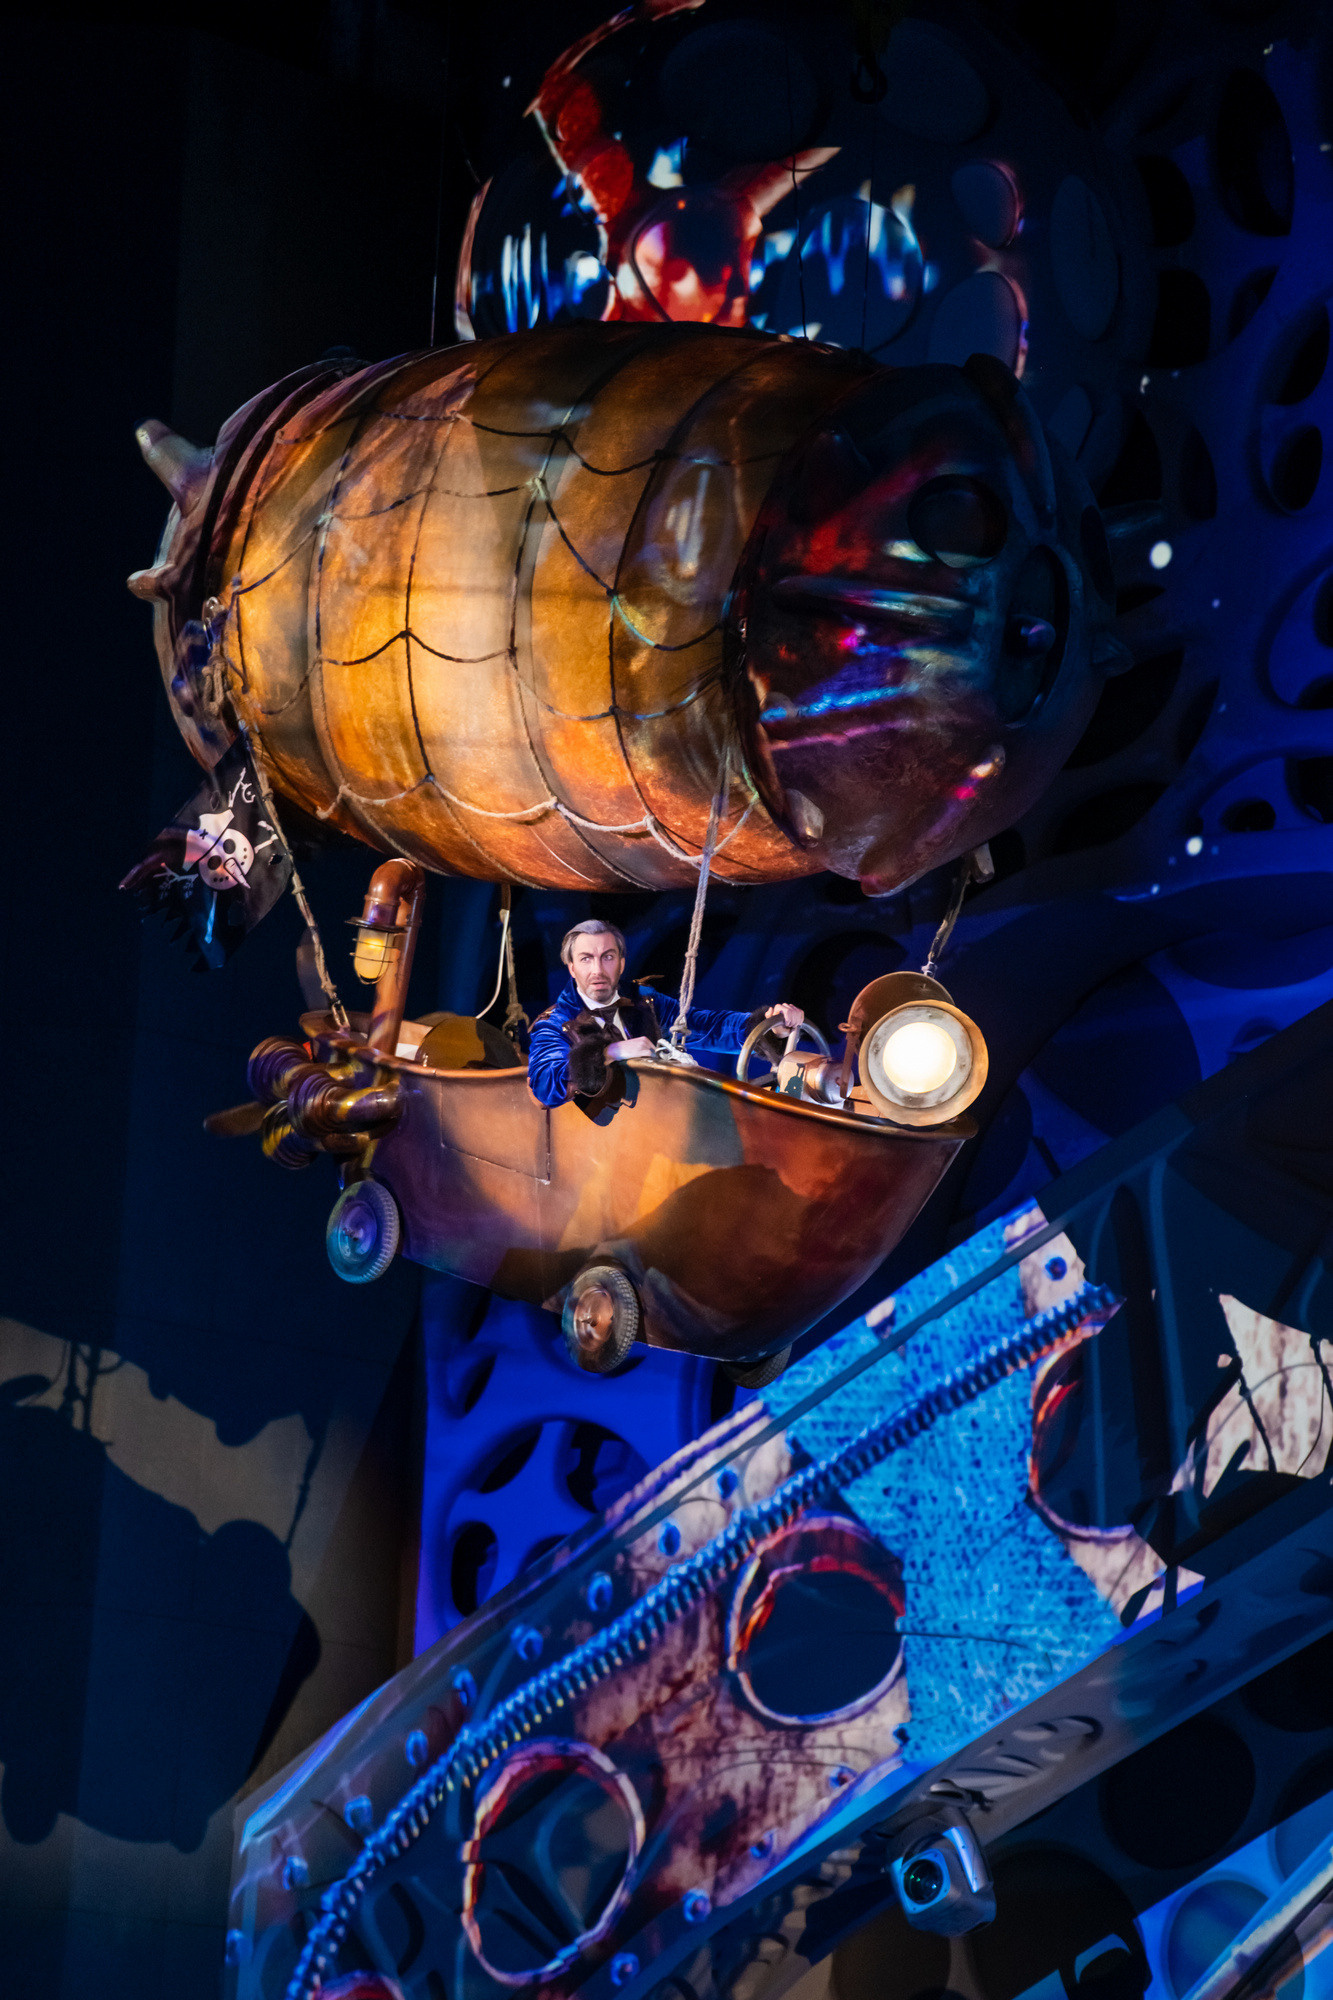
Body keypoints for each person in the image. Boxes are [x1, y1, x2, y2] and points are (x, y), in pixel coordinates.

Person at [528, 919, 805, 1109]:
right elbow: (544, 1083)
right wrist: (610, 1052)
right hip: (597, 1153)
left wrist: (769, 1027)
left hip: (659, 1128)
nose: (597, 970)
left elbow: (709, 1027)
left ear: (621, 964)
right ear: (572, 968)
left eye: (607, 957)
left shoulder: (646, 1003)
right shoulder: (555, 1024)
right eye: (586, 959)